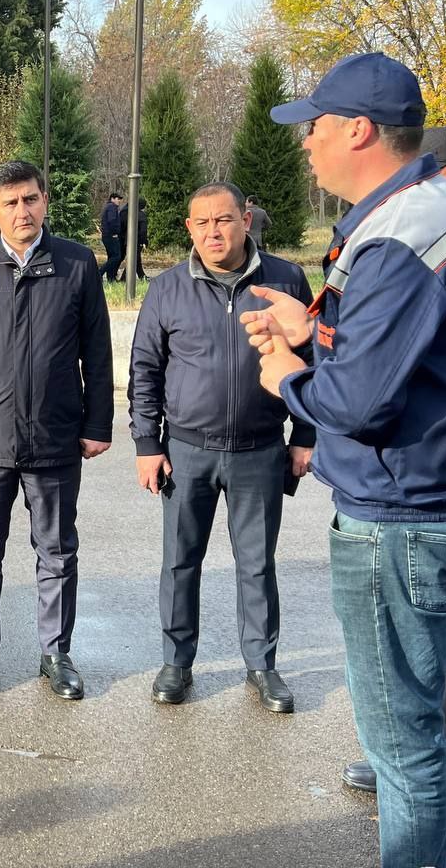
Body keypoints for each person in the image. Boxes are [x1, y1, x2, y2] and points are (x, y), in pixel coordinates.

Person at [242, 53, 446, 867]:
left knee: (404, 753)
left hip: (400, 517)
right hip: (441, 494)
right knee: (425, 750)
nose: (304, 140)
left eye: (314, 125)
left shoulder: (398, 237)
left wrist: (289, 375)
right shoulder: (445, 208)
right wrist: (317, 330)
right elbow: (424, 354)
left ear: (358, 130)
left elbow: (359, 404)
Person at [129, 181, 314, 712]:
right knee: (180, 562)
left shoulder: (285, 281)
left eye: (224, 220)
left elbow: (313, 360)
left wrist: (305, 436)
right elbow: (145, 369)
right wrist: (146, 443)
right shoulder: (167, 289)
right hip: (186, 451)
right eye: (203, 223)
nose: (214, 232)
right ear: (190, 228)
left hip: (260, 450)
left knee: (257, 564)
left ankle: (262, 666)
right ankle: (176, 663)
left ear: (245, 220)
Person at [341, 126, 446, 822]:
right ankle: (429, 762)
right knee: (439, 642)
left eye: (434, 182)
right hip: (438, 485)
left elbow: (369, 396)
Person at [0, 160, 113, 699]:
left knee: (57, 550)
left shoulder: (77, 264)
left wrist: (97, 423)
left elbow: (97, 352)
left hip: (55, 437)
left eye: (30, 199)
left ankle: (56, 653)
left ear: (44, 201)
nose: (22, 211)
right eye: (10, 203)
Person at [119, 196, 149, 280]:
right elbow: (143, 230)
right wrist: (144, 241)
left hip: (127, 240)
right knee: (134, 259)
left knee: (136, 259)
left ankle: (141, 276)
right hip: (137, 240)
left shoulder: (128, 213)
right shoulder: (141, 215)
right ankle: (124, 278)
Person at [99, 192, 123, 282]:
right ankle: (99, 272)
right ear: (112, 199)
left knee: (111, 257)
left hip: (107, 235)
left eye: (120, 199)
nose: (119, 201)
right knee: (117, 256)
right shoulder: (112, 207)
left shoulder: (108, 207)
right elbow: (112, 221)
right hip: (111, 236)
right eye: (118, 199)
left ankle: (111, 278)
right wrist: (115, 232)